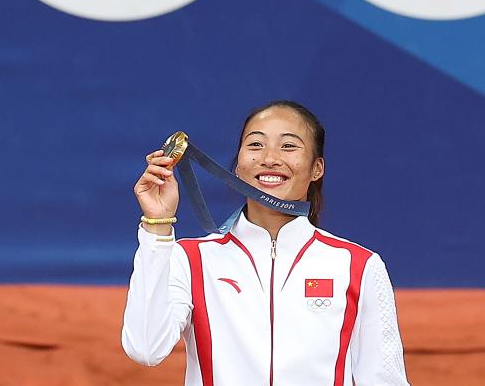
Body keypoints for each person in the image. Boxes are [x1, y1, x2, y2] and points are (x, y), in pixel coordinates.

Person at [122, 99, 411, 385]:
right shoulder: (191, 259)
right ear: (238, 166)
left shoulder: (358, 266)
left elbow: (385, 380)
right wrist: (157, 226)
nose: (270, 158)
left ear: (317, 168)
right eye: (256, 145)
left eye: (289, 146)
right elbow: (146, 348)